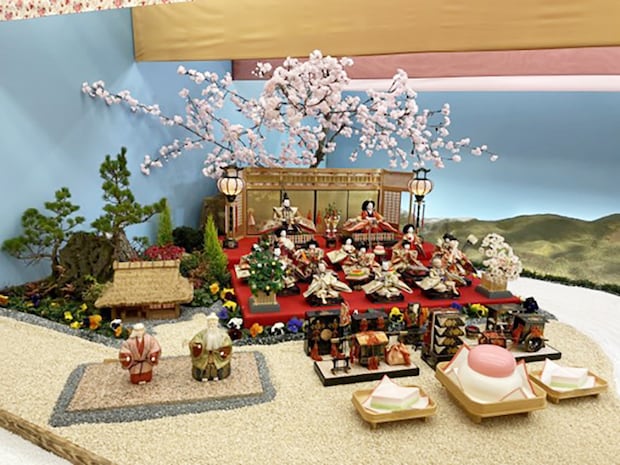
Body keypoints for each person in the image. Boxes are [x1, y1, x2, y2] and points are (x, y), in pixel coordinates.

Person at [189, 312, 233, 381]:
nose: (212, 325)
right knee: (205, 366)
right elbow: (196, 340)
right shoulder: (202, 334)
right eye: (210, 324)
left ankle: (216, 376)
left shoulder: (223, 335)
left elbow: (227, 343)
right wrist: (199, 346)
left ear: (216, 324)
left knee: (215, 366)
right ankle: (204, 376)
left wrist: (221, 349)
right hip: (205, 355)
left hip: (216, 355)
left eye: (214, 324)